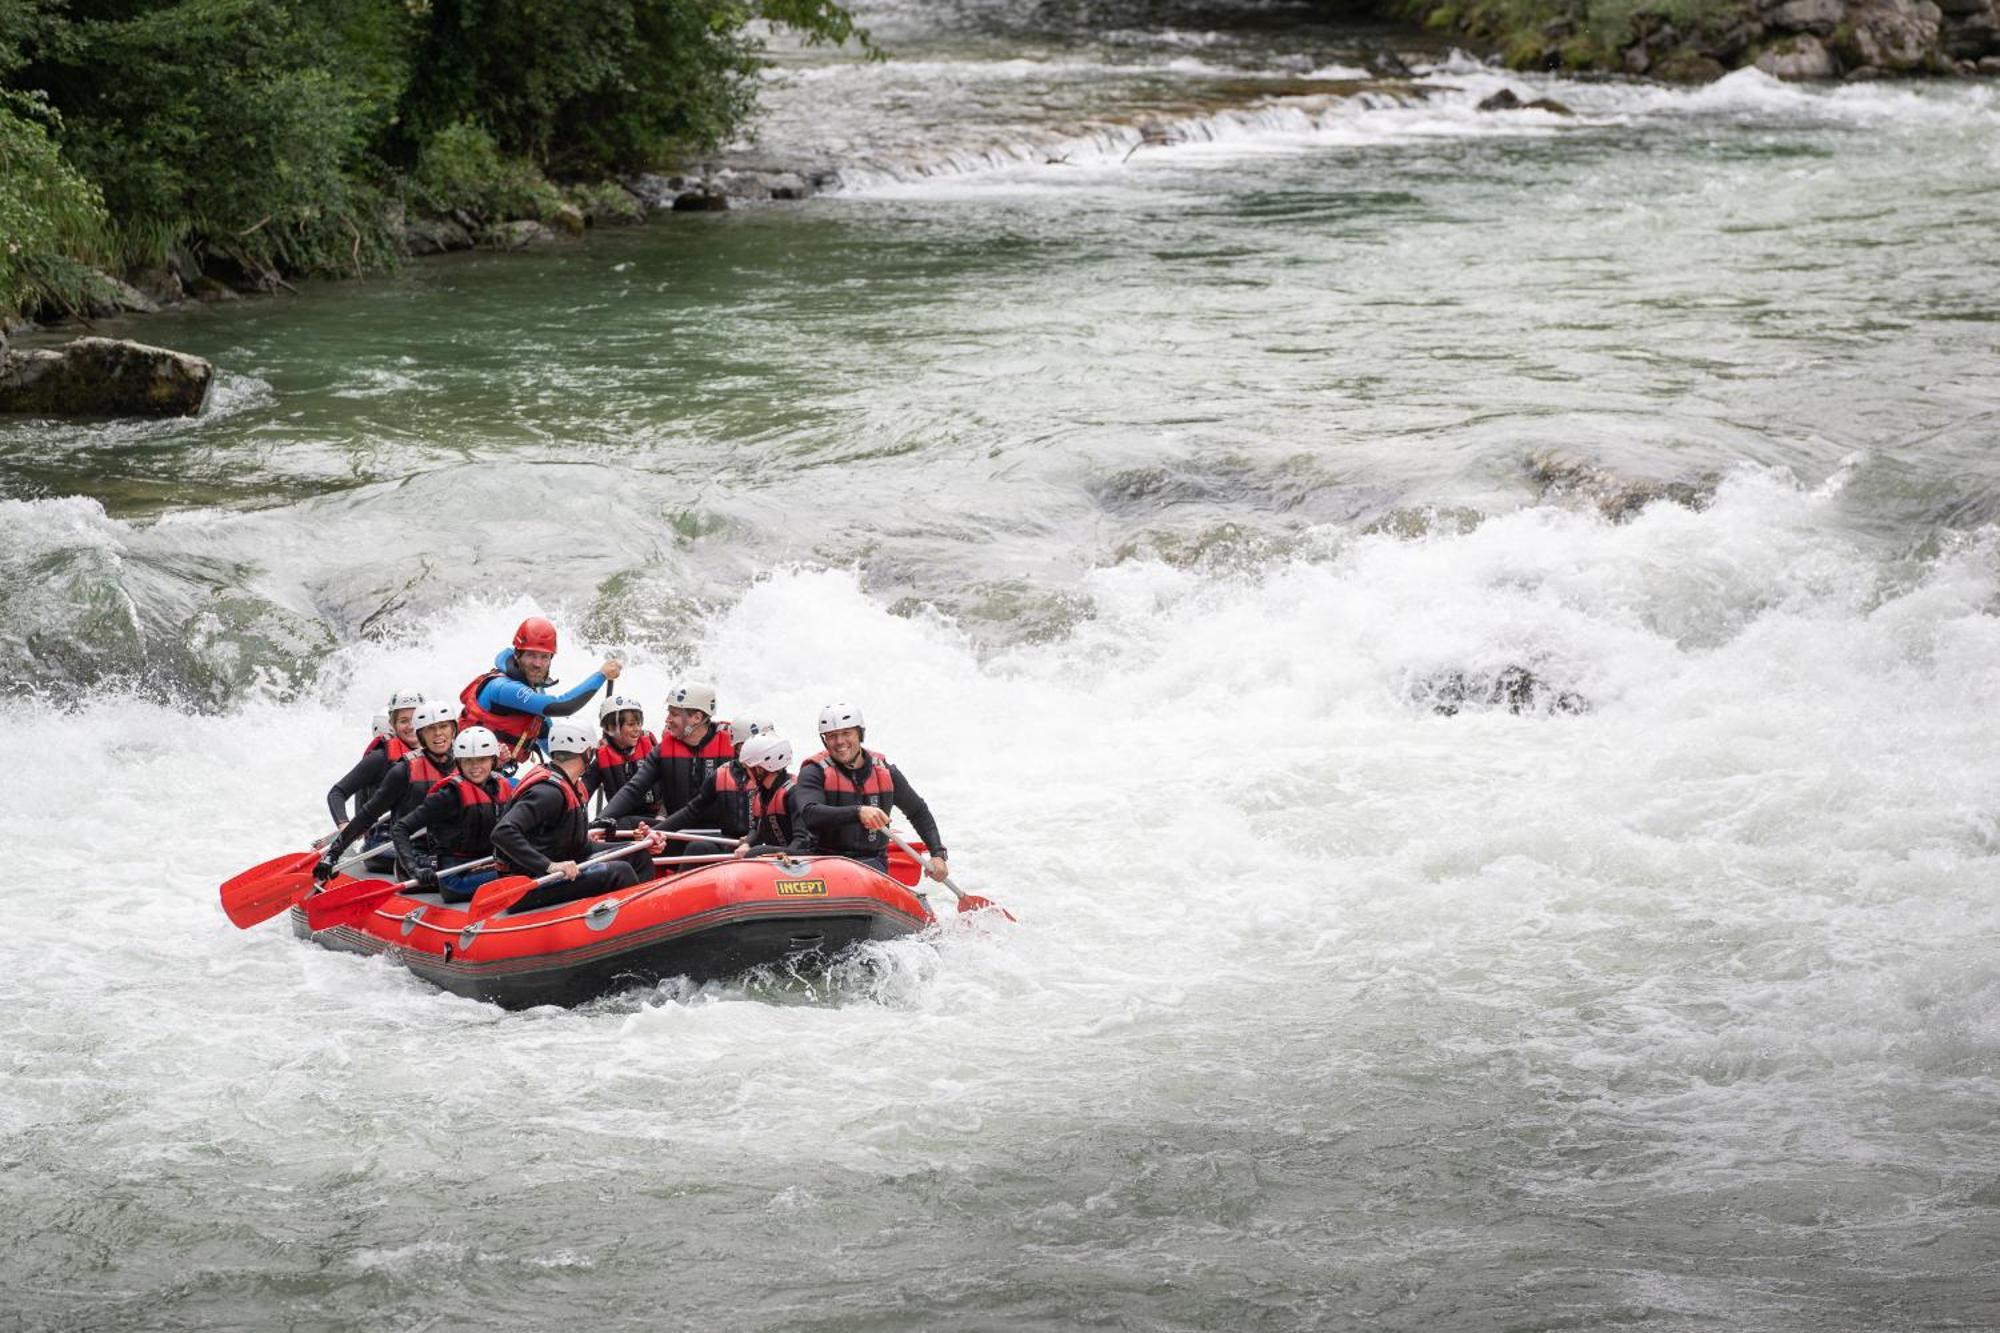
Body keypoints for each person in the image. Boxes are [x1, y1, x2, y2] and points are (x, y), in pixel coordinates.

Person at [491, 721, 659, 913]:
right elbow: (502, 832)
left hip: (556, 864)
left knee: (638, 854)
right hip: (528, 884)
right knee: (620, 872)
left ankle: (647, 913)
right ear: (586, 753)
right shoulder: (548, 793)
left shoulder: (569, 784)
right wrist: (550, 866)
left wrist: (635, 844)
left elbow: (578, 847)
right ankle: (634, 923)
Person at [791, 702, 950, 880]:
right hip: (825, 862)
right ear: (825, 740)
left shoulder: (886, 772)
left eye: (846, 733)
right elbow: (810, 813)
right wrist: (858, 812)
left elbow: (918, 811)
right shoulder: (813, 772)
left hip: (872, 863)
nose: (839, 741)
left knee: (869, 870)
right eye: (832, 736)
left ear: (860, 734)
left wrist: (937, 854)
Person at [315, 701, 461, 883]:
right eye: (430, 729)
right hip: (412, 859)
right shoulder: (402, 769)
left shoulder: (467, 765)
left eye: (443, 727)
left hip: (449, 853)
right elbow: (368, 814)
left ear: (454, 730)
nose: (438, 734)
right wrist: (333, 854)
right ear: (421, 735)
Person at [458, 615, 622, 763]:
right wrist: (601, 675)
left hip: (496, 776)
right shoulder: (503, 688)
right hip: (471, 774)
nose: (537, 664)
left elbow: (555, 749)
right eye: (531, 655)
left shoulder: (535, 693)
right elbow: (562, 706)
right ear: (517, 655)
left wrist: (594, 757)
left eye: (544, 657)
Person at [389, 725, 516, 902]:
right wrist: (413, 869)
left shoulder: (502, 786)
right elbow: (400, 828)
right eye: (468, 761)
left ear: (493, 761)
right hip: (455, 878)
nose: (475, 767)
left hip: (485, 863)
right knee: (519, 873)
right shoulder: (448, 796)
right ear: (459, 763)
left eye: (482, 760)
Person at [592, 681, 735, 829]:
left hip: (720, 835)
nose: (668, 719)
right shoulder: (662, 751)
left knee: (697, 847)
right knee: (622, 825)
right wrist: (600, 821)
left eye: (674, 714)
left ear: (697, 718)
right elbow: (633, 789)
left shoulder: (733, 745)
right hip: (675, 831)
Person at [325, 688, 424, 831]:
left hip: (420, 836)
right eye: (404, 721)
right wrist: (344, 825)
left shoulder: (437, 754)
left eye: (416, 719)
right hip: (384, 839)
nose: (411, 726)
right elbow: (336, 793)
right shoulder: (379, 758)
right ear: (393, 724)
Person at [585, 694, 656, 821]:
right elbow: (583, 793)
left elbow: (671, 784)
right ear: (611, 728)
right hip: (622, 822)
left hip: (657, 818)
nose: (637, 729)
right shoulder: (601, 759)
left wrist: (663, 815)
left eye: (639, 724)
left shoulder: (653, 749)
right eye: (631, 724)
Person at [735, 734, 800, 854]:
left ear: (759, 769)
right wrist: (747, 843)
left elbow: (804, 845)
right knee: (698, 848)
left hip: (801, 864)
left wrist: (761, 851)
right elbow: (757, 828)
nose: (746, 774)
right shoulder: (763, 792)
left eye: (748, 769)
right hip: (781, 862)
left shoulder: (795, 794)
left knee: (756, 852)